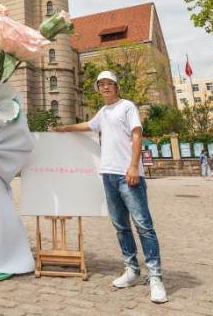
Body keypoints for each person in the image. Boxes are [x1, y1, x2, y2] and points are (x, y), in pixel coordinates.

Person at [53, 71, 167, 304]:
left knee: (143, 225)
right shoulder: (103, 112)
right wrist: (65, 128)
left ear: (116, 86)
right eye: (101, 84)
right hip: (108, 174)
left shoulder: (127, 106)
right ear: (98, 89)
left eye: (109, 84)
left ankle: (155, 277)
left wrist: (134, 166)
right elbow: (89, 125)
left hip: (128, 174)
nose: (105, 88)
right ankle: (132, 270)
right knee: (120, 226)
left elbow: (137, 136)